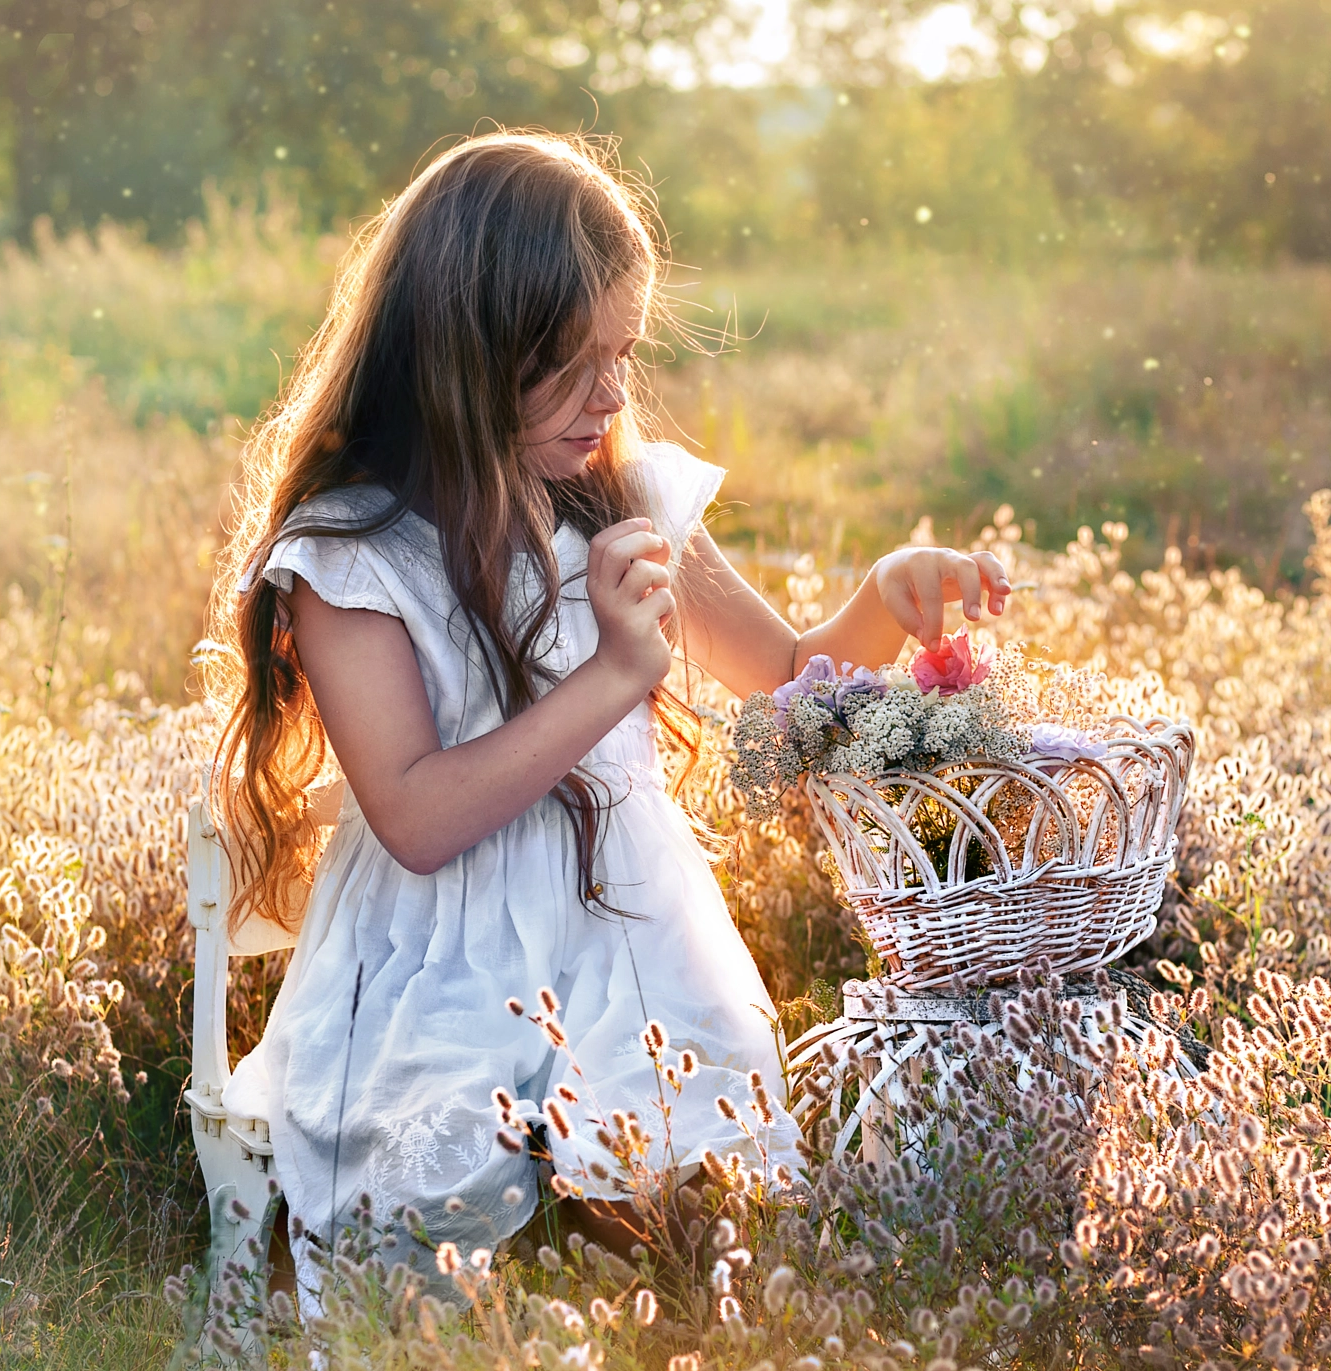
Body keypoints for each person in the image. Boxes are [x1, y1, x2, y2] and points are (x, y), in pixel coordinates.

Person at [204, 130, 1012, 1281]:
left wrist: (887, 593)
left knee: (687, 1241)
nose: (613, 394)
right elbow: (419, 818)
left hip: (630, 939)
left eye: (624, 353)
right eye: (576, 363)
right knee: (438, 1235)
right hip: (438, 960)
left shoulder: (620, 504)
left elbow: (788, 673)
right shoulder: (353, 555)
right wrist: (610, 681)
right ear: (465, 355)